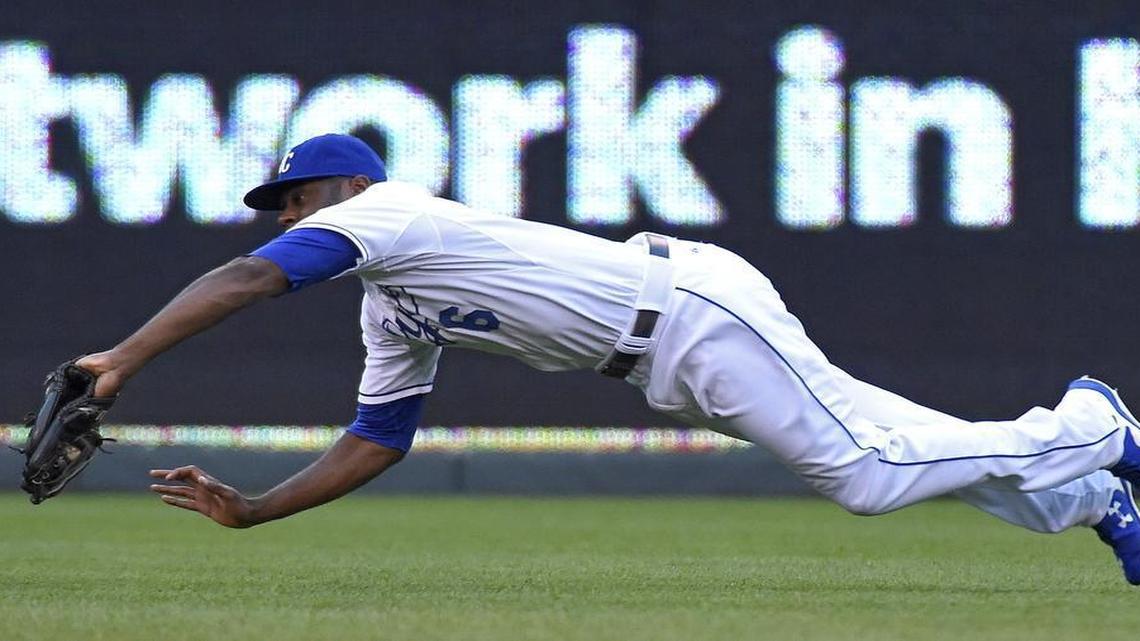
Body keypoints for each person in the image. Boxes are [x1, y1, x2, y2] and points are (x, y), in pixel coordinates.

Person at [75, 133, 1140, 584]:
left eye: (296, 198)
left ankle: (1093, 423)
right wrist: (256, 509)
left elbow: (249, 279)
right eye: (281, 204)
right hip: (666, 359)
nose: (286, 215)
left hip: (690, 309)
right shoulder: (389, 309)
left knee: (866, 473)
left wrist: (121, 357)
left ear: (344, 191)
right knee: (908, 447)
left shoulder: (389, 213)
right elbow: (378, 442)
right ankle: (1092, 500)